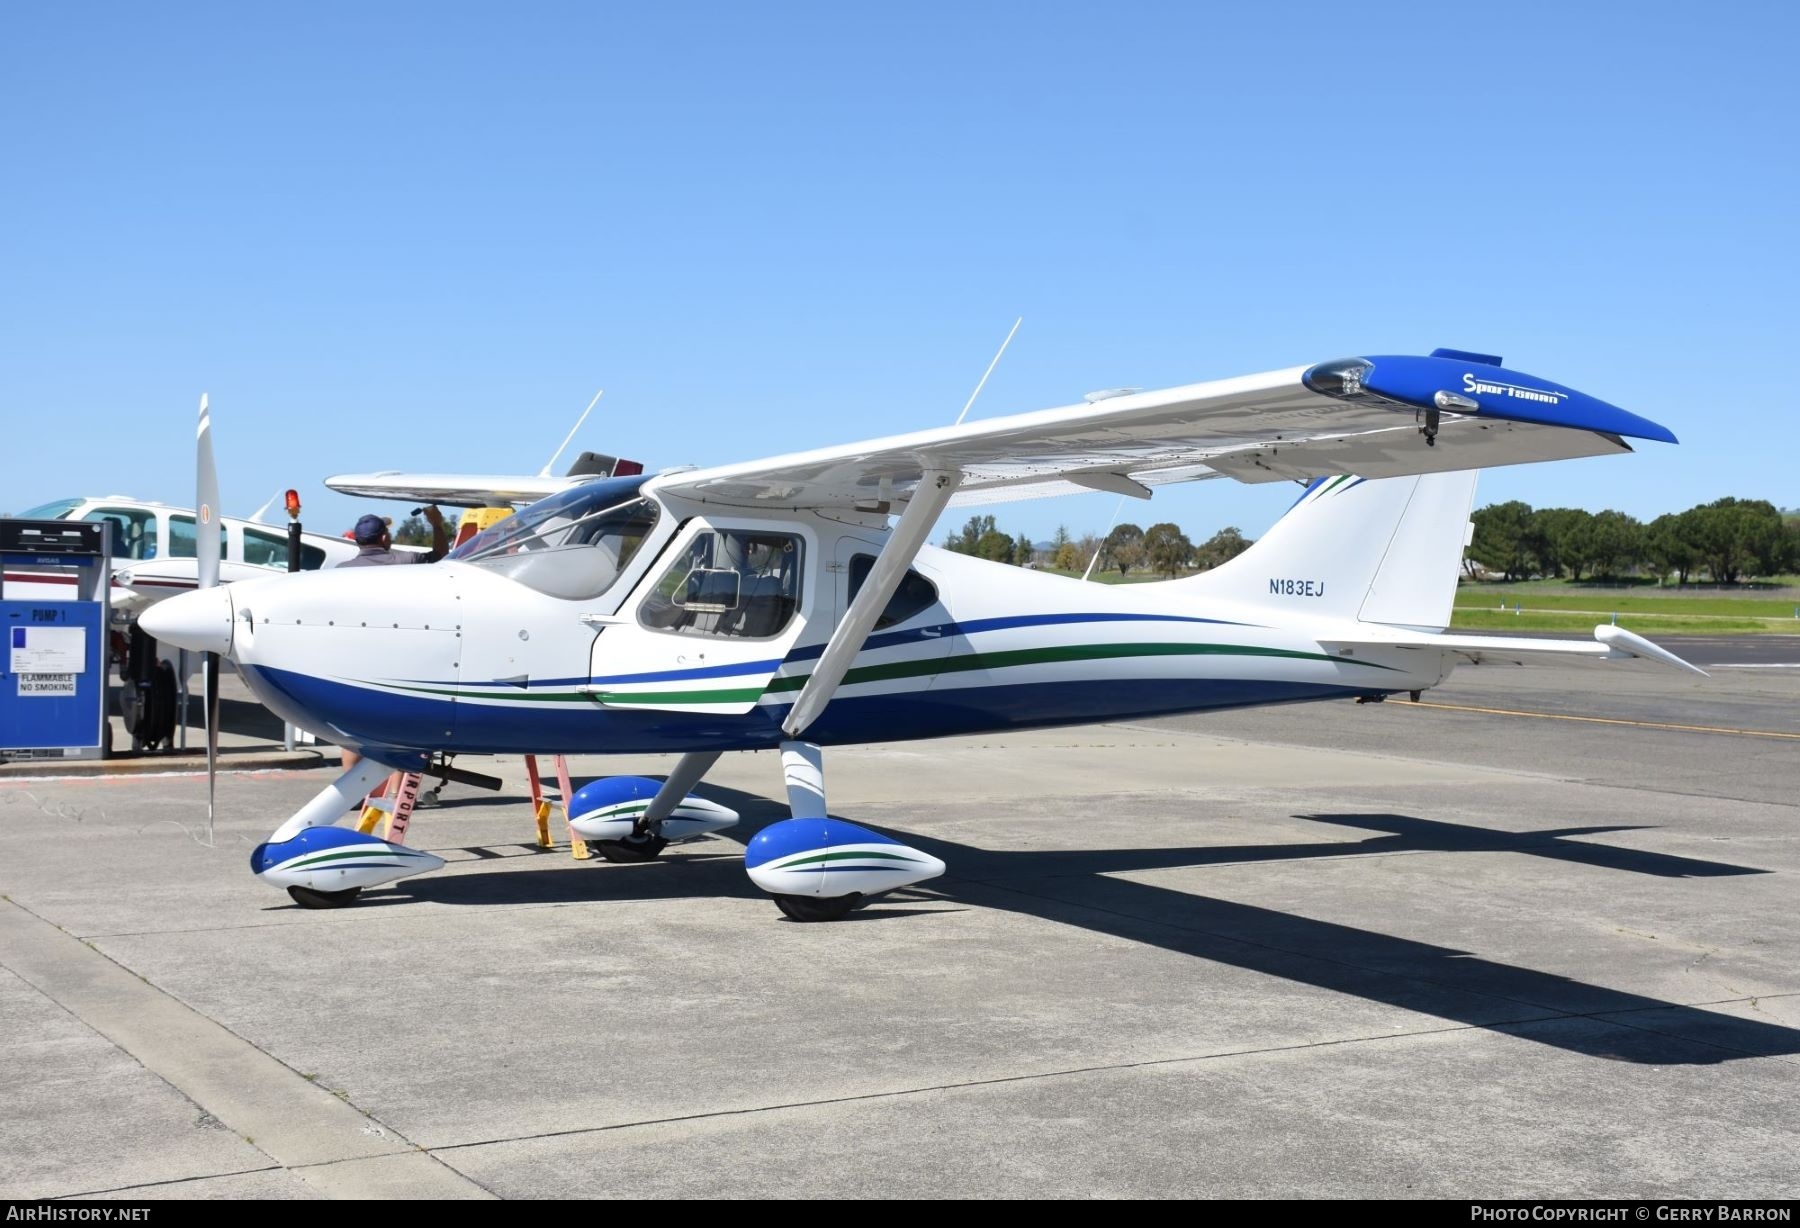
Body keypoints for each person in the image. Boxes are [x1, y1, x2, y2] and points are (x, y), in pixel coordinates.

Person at [337, 505, 449, 790]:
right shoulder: (405, 561)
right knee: (399, 732)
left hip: (354, 662)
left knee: (354, 732)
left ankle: (356, 794)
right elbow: (440, 558)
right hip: (398, 660)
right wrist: (436, 525)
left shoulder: (342, 573)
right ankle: (395, 793)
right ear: (385, 538)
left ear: (357, 540)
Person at [337, 506, 448, 568]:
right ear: (384, 538)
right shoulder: (408, 560)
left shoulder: (342, 569)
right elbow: (441, 555)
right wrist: (436, 524)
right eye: (388, 531)